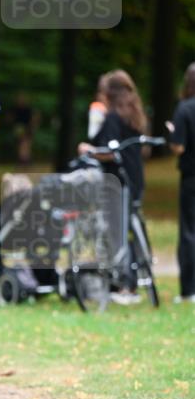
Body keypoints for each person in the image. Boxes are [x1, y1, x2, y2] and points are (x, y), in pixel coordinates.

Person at [78, 69, 150, 305]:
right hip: (135, 177)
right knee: (130, 227)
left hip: (116, 180)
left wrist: (88, 150)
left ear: (108, 93)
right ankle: (135, 279)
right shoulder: (135, 115)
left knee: (116, 231)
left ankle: (125, 284)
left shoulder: (112, 118)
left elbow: (109, 151)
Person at [169, 62, 195, 303]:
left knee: (189, 232)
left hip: (191, 177)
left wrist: (172, 132)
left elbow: (178, 146)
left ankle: (189, 290)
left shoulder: (185, 108)